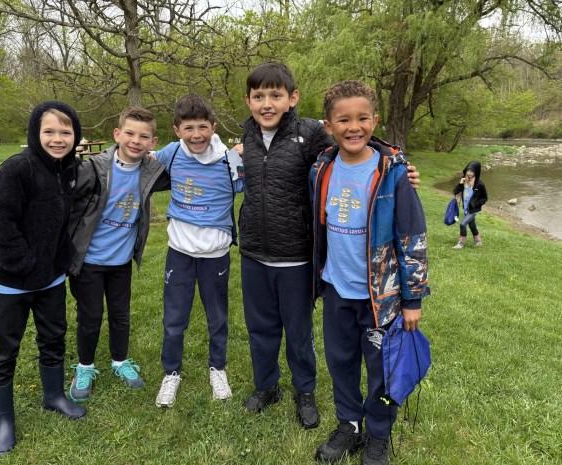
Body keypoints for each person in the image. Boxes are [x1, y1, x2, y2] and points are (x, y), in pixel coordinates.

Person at [238, 61, 420, 430]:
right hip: (254, 252)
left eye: (276, 95)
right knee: (260, 328)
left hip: (297, 256)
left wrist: (397, 163)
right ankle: (267, 385)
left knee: (298, 331)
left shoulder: (310, 134)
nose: (267, 103)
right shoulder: (248, 138)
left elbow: (354, 141)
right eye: (259, 96)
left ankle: (305, 391)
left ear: (293, 98)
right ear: (249, 101)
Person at [310, 80, 430, 465]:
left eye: (362, 118)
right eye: (343, 120)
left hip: (382, 298)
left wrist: (412, 299)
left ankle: (378, 433)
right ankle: (350, 424)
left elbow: (412, 238)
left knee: (380, 370)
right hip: (337, 290)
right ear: (329, 126)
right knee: (341, 362)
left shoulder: (392, 172)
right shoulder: (322, 168)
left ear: (375, 121)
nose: (353, 126)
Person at [0, 101, 86, 456]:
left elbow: (61, 222)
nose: (58, 139)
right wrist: (23, 263)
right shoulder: (17, 169)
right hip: (11, 282)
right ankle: (4, 419)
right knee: (4, 349)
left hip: (51, 280)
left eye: (65, 132)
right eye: (49, 132)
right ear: (35, 133)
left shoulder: (69, 170)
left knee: (53, 338)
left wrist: (59, 260)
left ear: (76, 135)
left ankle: (54, 396)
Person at [66, 107, 170, 403]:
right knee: (90, 316)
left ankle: (120, 361)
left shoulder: (151, 171)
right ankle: (84, 368)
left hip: (121, 262)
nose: (136, 140)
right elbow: (60, 193)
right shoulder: (93, 168)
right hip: (89, 261)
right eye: (130, 133)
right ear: (117, 134)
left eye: (144, 136)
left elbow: (187, 165)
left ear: (153, 141)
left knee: (121, 315)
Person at [151, 94, 244, 407]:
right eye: (188, 128)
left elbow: (260, 180)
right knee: (174, 318)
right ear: (177, 130)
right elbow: (136, 161)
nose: (196, 135)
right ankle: (171, 373)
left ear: (213, 127)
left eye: (203, 127)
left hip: (215, 255)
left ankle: (217, 369)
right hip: (179, 251)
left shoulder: (229, 159)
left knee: (217, 317)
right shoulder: (171, 153)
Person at [452, 161, 488, 249]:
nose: (469, 173)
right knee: (472, 225)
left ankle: (461, 243)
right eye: (468, 171)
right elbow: (455, 191)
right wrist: (460, 184)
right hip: (466, 208)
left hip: (473, 209)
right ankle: (478, 241)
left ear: (476, 172)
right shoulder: (464, 181)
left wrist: (476, 204)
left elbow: (485, 197)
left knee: (463, 224)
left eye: (472, 171)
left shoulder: (480, 184)